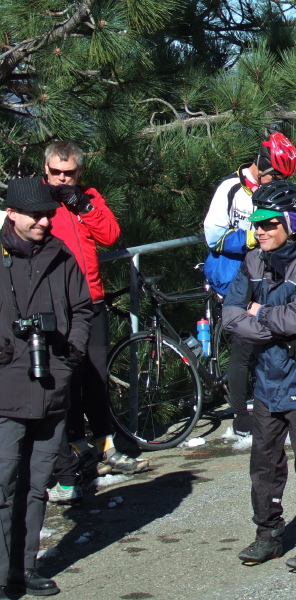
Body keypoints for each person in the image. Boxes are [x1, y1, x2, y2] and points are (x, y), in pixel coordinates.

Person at [223, 180, 296, 574]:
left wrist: (260, 314)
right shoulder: (253, 262)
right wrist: (273, 322)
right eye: (256, 224)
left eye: (270, 224)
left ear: (291, 222)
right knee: (264, 463)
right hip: (268, 376)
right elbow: (231, 316)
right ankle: (267, 534)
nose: (260, 231)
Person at [38, 141, 145, 509]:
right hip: (57, 307)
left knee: (96, 378)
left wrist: (82, 205)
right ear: (46, 170)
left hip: (92, 301)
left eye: (69, 173)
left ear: (79, 173)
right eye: (56, 173)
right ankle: (72, 452)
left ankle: (104, 444)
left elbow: (111, 235)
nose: (62, 179)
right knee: (64, 380)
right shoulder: (36, 202)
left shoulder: (88, 198)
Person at [0, 178, 92, 598]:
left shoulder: (61, 256)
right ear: (12, 214)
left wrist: (70, 356)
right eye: (35, 214)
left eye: (48, 214)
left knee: (37, 485)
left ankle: (24, 568)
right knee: (4, 484)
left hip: (52, 384)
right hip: (5, 390)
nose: (43, 221)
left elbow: (82, 310)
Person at [204, 131, 296, 436]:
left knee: (271, 339)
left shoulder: (275, 189)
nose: (275, 182)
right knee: (244, 347)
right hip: (234, 277)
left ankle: (273, 401)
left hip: (267, 277)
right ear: (259, 163)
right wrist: (252, 235)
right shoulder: (230, 189)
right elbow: (212, 238)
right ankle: (239, 414)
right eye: (273, 175)